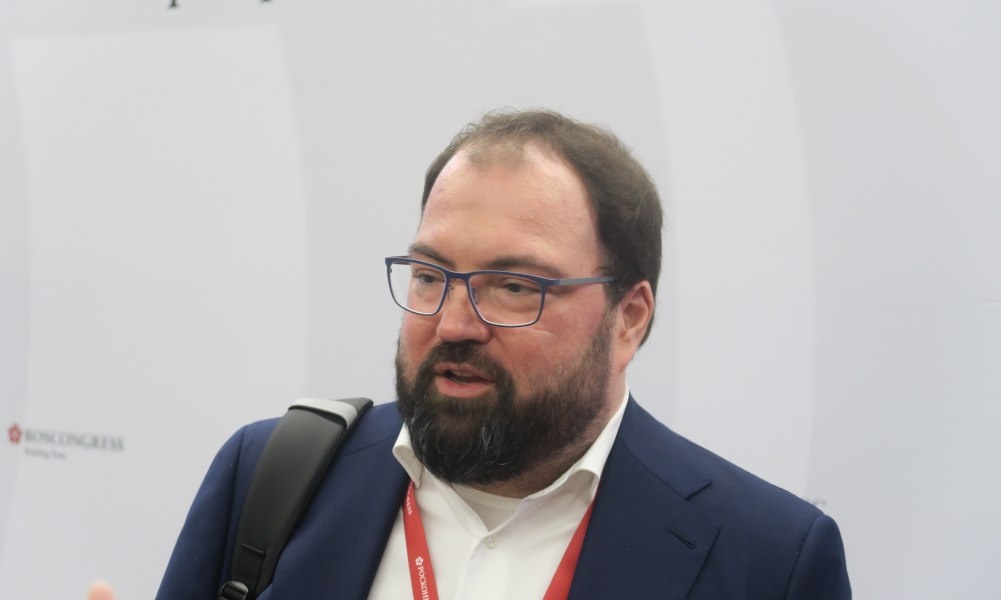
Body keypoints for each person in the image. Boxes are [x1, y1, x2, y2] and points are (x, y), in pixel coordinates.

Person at [156, 109, 851, 599]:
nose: (453, 323)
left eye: (516, 287)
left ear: (628, 320)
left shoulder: (769, 560)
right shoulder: (272, 475)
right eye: (429, 275)